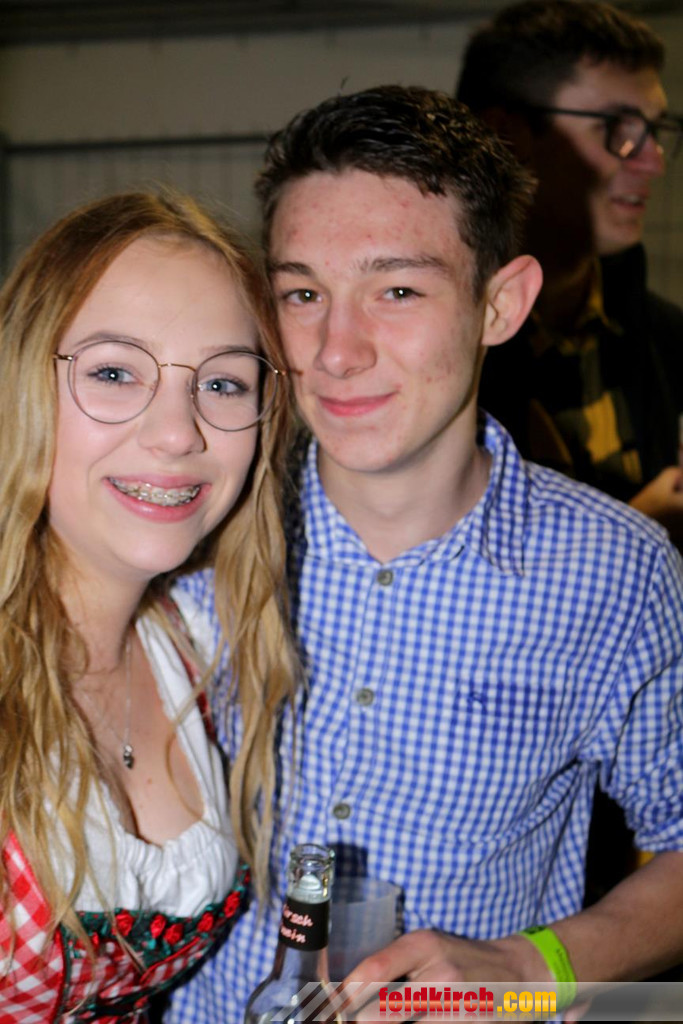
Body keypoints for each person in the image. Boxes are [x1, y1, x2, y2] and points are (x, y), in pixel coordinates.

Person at [168, 86, 683, 1023]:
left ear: (500, 303)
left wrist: (536, 966)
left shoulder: (619, 575)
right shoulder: (190, 533)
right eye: (302, 294)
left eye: (397, 290)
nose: (336, 351)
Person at [0, 190, 296, 1021]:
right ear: (22, 382)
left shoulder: (197, 644)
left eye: (223, 382)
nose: (178, 433)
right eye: (113, 372)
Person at [456, 0, 683, 549]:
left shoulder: (668, 338)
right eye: (617, 128)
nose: (653, 161)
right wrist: (642, 531)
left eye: (655, 131)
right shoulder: (440, 352)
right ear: (506, 135)